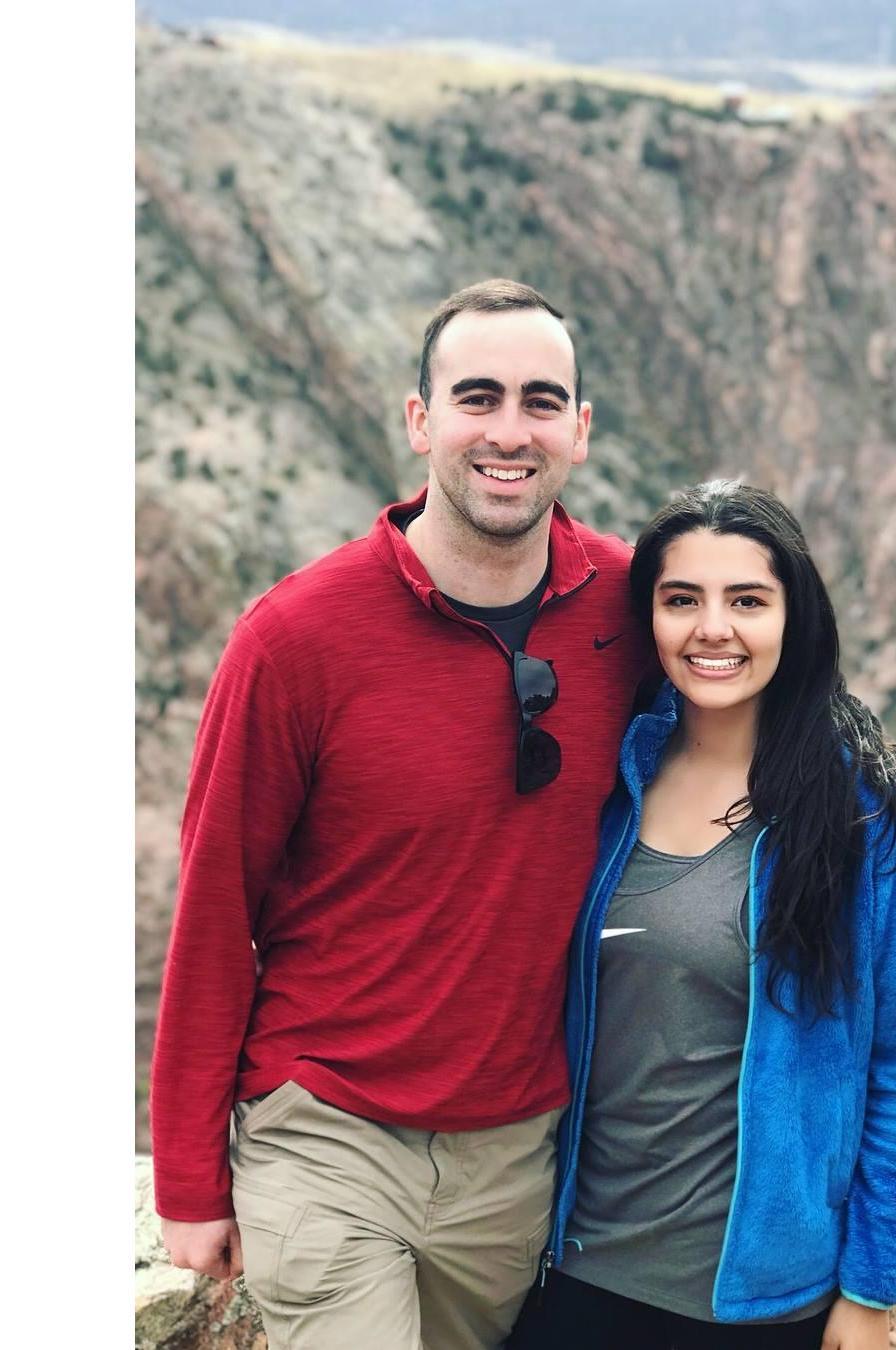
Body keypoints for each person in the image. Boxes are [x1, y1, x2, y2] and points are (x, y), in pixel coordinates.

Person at [151, 278, 651, 1349]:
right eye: (476, 398)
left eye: (540, 401)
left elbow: (752, 703)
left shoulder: (630, 606)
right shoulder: (295, 640)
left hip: (518, 1150)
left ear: (581, 430)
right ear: (420, 420)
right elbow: (214, 906)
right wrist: (190, 1174)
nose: (508, 432)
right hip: (324, 1134)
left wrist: (871, 790)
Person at [509, 481, 896, 1350]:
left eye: (747, 600)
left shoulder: (872, 823)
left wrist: (872, 1292)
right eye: (682, 600)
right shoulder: (606, 785)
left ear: (796, 618)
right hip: (570, 1270)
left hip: (757, 1306)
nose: (712, 628)